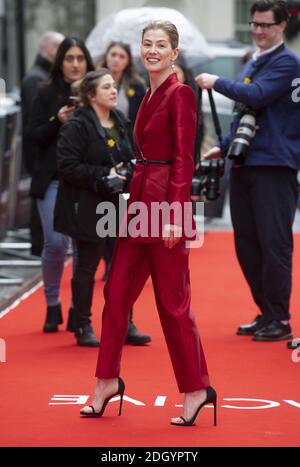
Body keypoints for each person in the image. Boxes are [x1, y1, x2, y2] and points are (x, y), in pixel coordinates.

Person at [80, 20, 217, 427]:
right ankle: (107, 380)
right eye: (147, 44)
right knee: (116, 296)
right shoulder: (147, 92)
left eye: (161, 45)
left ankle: (196, 389)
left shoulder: (181, 94)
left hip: (165, 210)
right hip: (137, 208)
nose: (152, 50)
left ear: (175, 53)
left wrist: (175, 215)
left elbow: (183, 160)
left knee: (172, 305)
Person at [196, 0, 300, 343]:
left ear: (282, 26)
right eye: (255, 24)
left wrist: (217, 81)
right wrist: (223, 145)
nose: (258, 30)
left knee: (274, 244)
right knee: (247, 245)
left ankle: (279, 317)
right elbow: (245, 115)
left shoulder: (286, 63)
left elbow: (256, 95)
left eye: (265, 25)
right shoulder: (256, 60)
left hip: (274, 166)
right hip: (246, 162)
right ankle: (267, 312)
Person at [54, 68, 149, 347]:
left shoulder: (119, 119)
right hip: (87, 206)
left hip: (119, 204)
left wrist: (128, 170)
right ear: (91, 95)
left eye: (114, 86)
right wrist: (103, 176)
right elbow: (67, 166)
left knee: (123, 267)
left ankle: (125, 323)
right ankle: (82, 324)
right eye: (106, 87)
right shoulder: (77, 125)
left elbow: (132, 154)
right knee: (87, 266)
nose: (113, 90)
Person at [28, 37, 94, 333]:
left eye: (80, 58)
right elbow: (34, 136)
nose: (76, 64)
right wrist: (59, 120)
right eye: (70, 58)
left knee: (83, 248)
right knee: (55, 243)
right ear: (60, 62)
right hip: (53, 179)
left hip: (85, 182)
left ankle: (78, 309)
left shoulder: (95, 93)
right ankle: (52, 302)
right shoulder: (45, 92)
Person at [96, 42, 151, 346]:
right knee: (90, 257)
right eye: (112, 54)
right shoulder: (87, 115)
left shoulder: (135, 90)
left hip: (127, 182)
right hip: (94, 186)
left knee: (122, 256)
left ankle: (124, 323)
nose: (117, 59)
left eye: (121, 55)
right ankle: (82, 322)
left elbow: (139, 134)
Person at [21, 31, 65, 256]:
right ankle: (37, 246)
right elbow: (32, 125)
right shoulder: (36, 80)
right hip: (40, 155)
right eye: (59, 47)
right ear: (47, 49)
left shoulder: (44, 77)